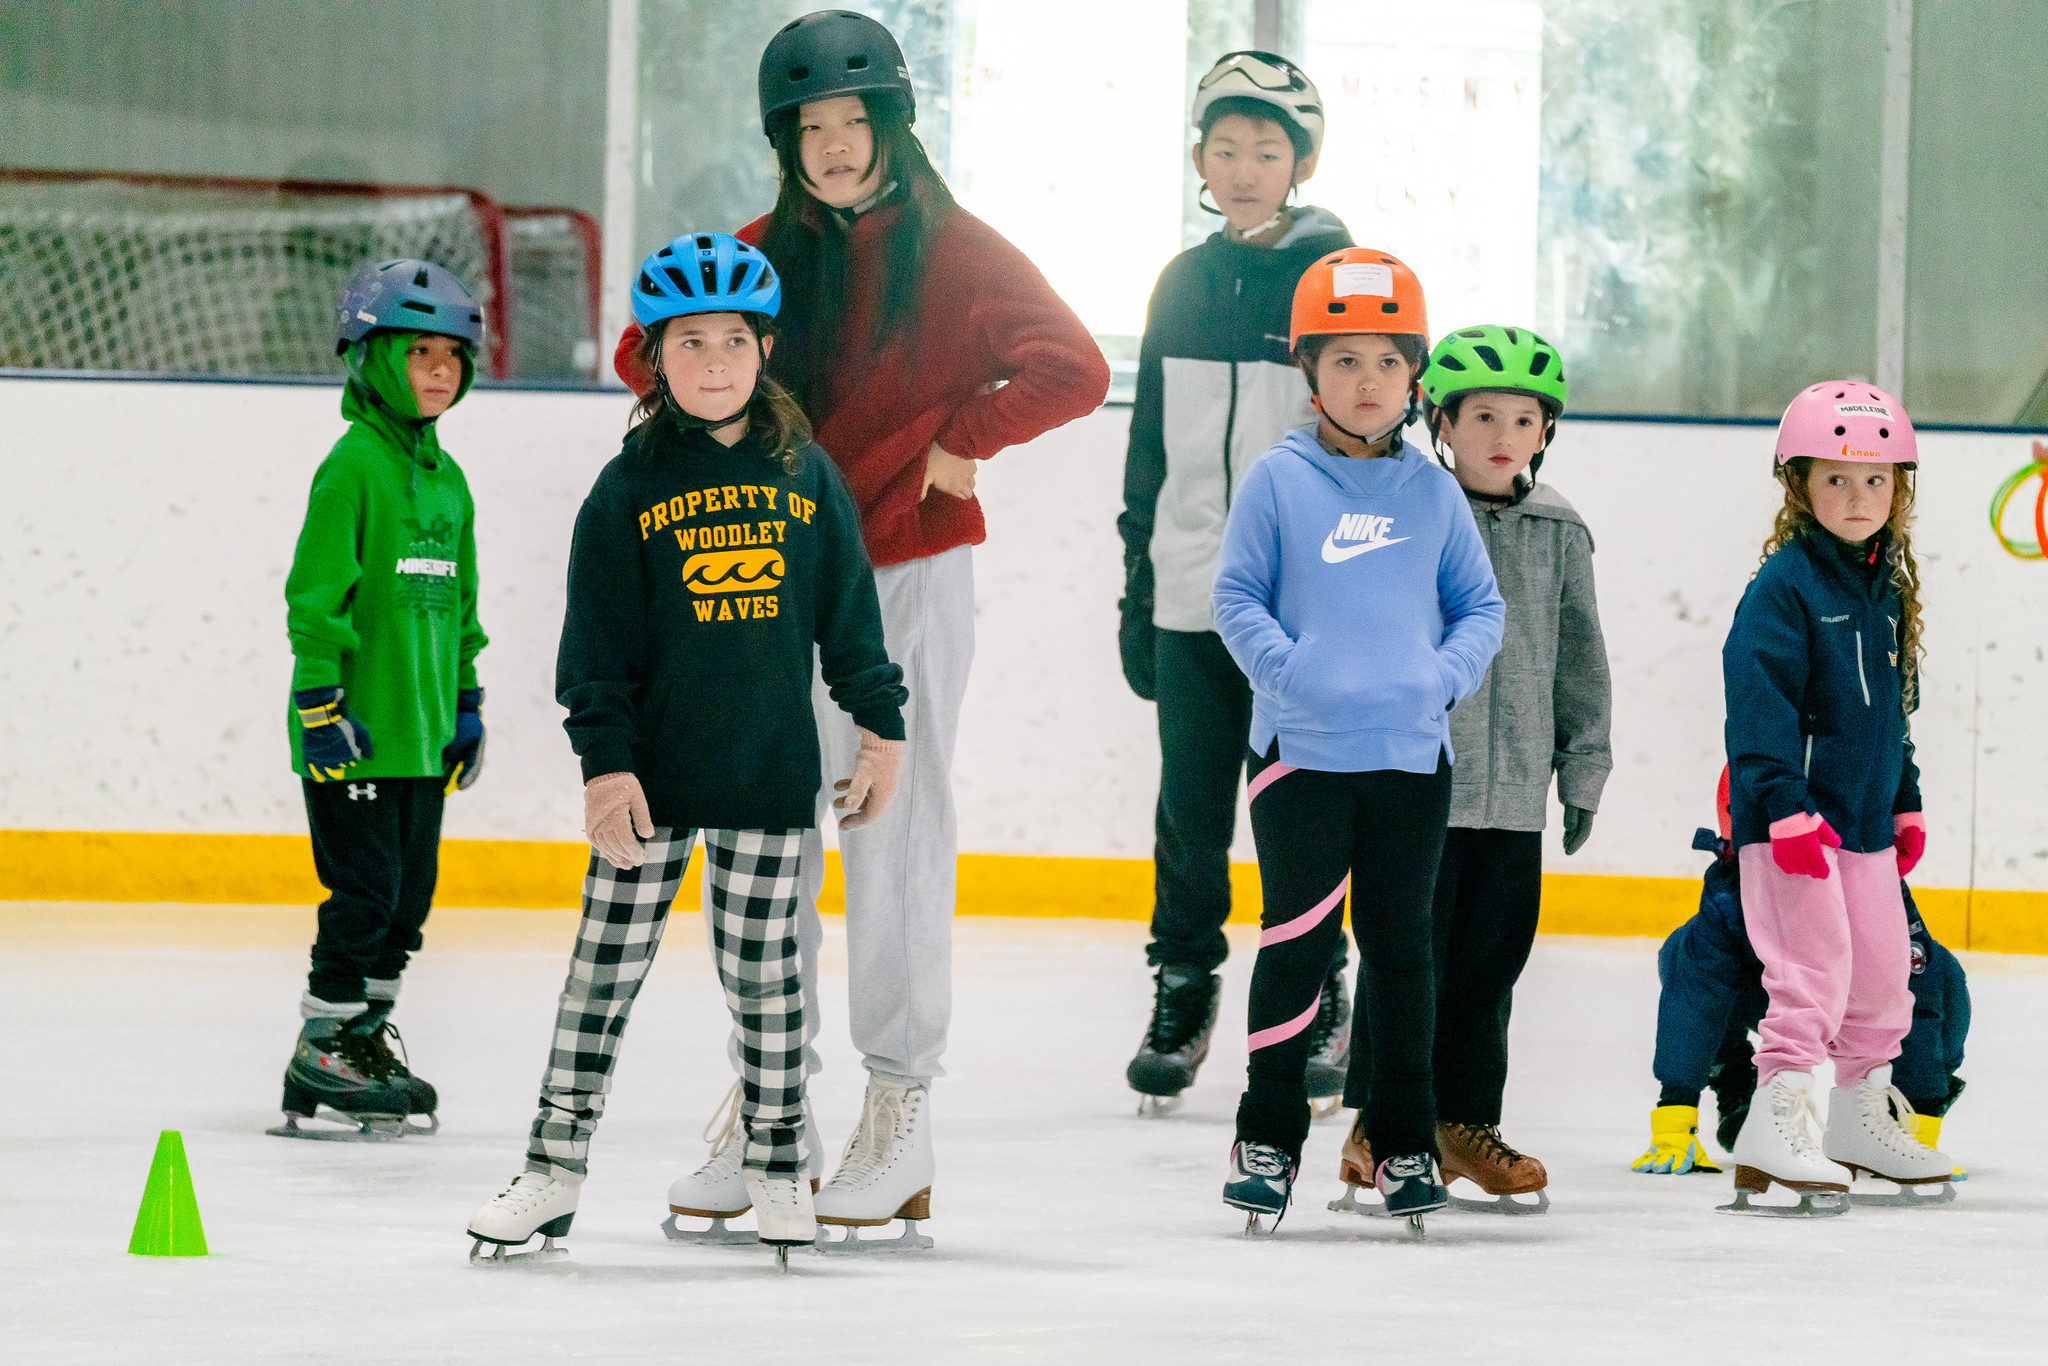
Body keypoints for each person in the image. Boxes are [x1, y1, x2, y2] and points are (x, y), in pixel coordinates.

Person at [614, 10, 1109, 1245]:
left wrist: (958, 444)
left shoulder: (961, 253)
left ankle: (901, 1108)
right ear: (785, 141)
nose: (833, 148)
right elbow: (647, 344)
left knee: (892, 832)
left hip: (903, 575)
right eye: (808, 129)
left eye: (853, 122)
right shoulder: (764, 248)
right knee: (766, 839)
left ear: (893, 123)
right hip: (773, 584)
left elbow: (1075, 365)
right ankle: (771, 1098)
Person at [465, 232, 907, 1265]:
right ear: (652, 359)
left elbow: (849, 622)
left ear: (764, 351)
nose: (713, 362)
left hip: (764, 776)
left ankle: (777, 1168)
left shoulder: (806, 478)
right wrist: (604, 763)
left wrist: (879, 726)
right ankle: (552, 1171)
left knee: (767, 988)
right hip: (649, 783)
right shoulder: (626, 489)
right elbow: (595, 648)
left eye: (732, 341)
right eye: (688, 342)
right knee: (598, 981)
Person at [1211, 248, 1504, 1233]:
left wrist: (1439, 677)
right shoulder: (1276, 480)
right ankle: (1266, 1133)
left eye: (1385, 362)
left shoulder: (1430, 494)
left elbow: (1478, 608)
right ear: (1309, 373)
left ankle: (1404, 1137)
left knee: (1400, 953)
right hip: (1298, 757)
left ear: (1413, 377)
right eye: (1343, 361)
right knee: (1294, 944)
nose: (1365, 381)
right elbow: (1234, 596)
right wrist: (1287, 672)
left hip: (1408, 760)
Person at [1117, 50, 1357, 1112]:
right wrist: (1137, 583)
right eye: (1226, 148)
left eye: (1267, 149)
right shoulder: (1180, 282)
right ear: (1200, 162)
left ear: (1299, 161)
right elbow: (1149, 447)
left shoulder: (1333, 278)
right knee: (1188, 810)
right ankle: (1181, 985)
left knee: (1304, 806)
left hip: (1299, 606)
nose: (1245, 167)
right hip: (1186, 593)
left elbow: (1364, 436)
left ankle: (1321, 990)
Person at [1387, 323, 1610, 1213]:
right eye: (1482, 415)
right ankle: (1384, 1128)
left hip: (1514, 796)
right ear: (1440, 422)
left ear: (1545, 432)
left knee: (1489, 967)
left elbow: (1581, 661)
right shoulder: (1406, 511)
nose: (1502, 435)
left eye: (1523, 418)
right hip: (1415, 785)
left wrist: (1581, 769)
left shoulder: (1560, 529)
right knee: (1408, 962)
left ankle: (1465, 1124)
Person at [1717, 380, 1954, 1216]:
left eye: (1877, 481)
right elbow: (1757, 705)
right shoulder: (1784, 587)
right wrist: (1780, 804)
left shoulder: (1884, 587)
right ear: (1799, 487)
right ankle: (1774, 1122)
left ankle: (1857, 1114)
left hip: (1863, 825)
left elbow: (1894, 714)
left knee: (1886, 979)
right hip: (1795, 823)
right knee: (1810, 975)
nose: (1859, 498)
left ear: (1900, 490)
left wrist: (1906, 798)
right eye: (1837, 480)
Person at [271, 258, 489, 1140]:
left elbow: (463, 603)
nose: (439, 370)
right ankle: (321, 1049)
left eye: (452, 355)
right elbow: (314, 598)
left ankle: (363, 1039)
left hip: (420, 735)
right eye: (418, 352)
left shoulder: (449, 481)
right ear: (368, 357)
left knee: (407, 902)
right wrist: (320, 705)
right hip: (352, 735)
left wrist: (466, 702)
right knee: (361, 896)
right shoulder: (352, 467)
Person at [1634, 770, 1968, 1180]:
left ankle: (1893, 1112)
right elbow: (1694, 1000)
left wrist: (1922, 1119)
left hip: (1860, 1004)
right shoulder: (1727, 901)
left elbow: (1922, 998)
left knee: (1938, 975)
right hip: (1779, 999)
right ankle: (1738, 1087)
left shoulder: (1873, 889)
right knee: (1684, 956)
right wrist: (1675, 1113)